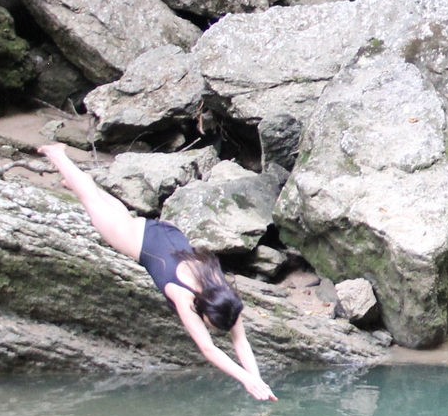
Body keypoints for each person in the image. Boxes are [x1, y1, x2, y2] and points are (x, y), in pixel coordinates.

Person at [37, 144, 277, 401]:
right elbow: (208, 348)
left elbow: (240, 341)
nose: (218, 330)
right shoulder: (184, 296)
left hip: (159, 231)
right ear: (205, 310)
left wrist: (258, 381)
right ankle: (57, 154)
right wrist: (245, 380)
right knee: (90, 199)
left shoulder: (222, 292)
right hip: (135, 240)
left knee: (114, 212)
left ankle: (76, 181)